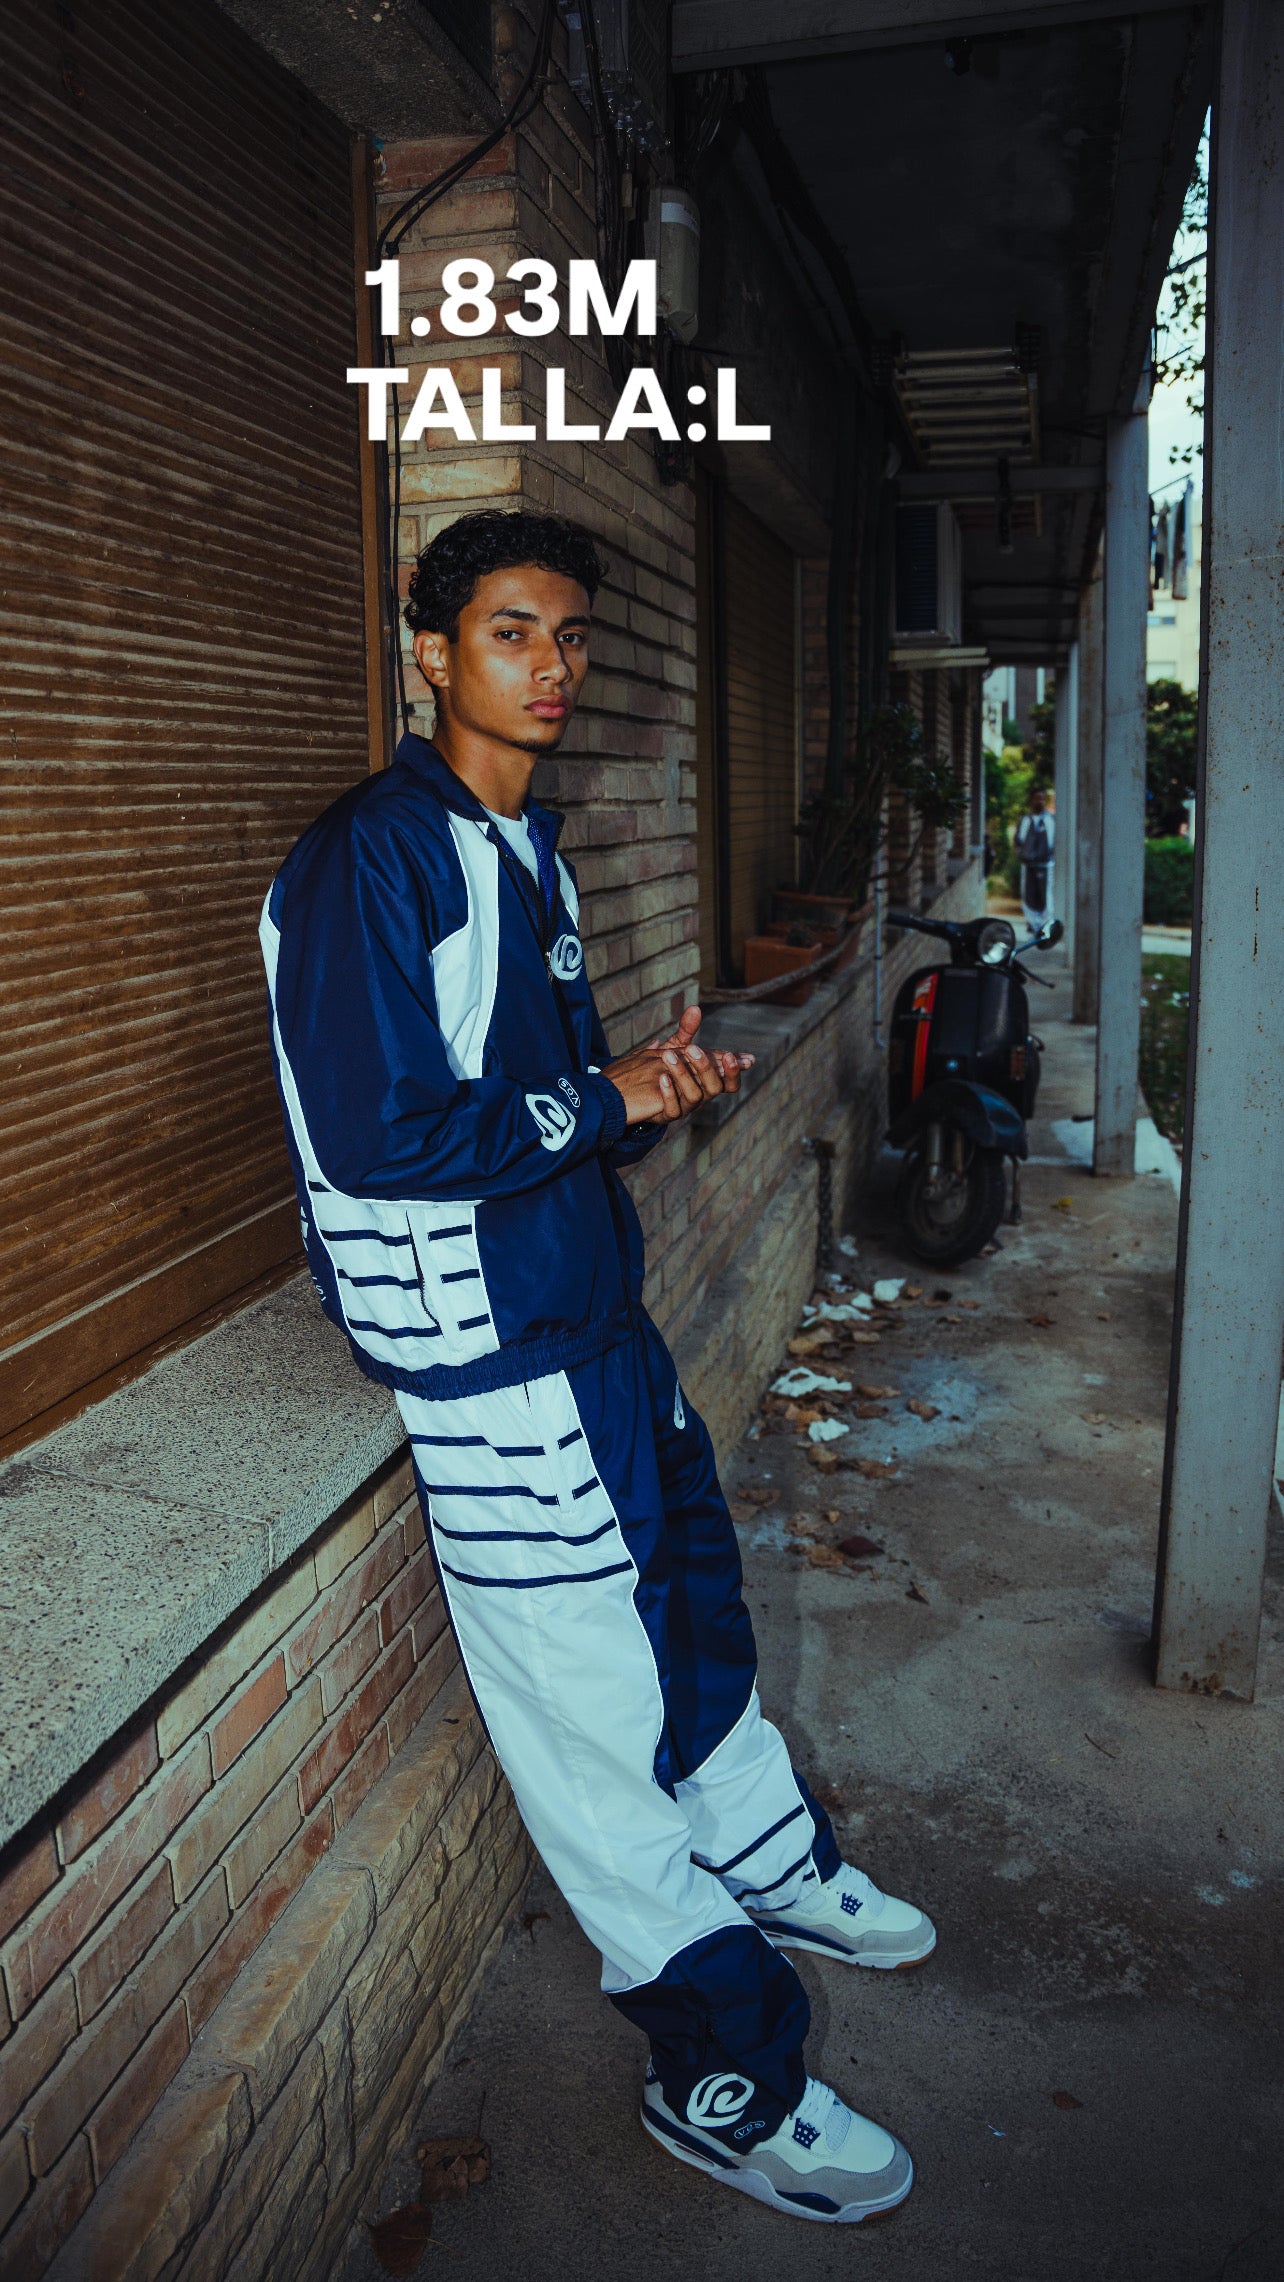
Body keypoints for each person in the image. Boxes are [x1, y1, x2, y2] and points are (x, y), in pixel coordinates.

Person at [261, 510, 934, 2226]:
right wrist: (597, 1097)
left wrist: (638, 1088)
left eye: (569, 636)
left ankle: (773, 1864)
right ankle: (722, 2068)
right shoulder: (372, 857)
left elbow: (532, 1110)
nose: (551, 665)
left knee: (694, 1622)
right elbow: (381, 1133)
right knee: (590, 1730)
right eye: (511, 631)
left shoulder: (518, 850)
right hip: (492, 1371)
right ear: (429, 653)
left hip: (592, 1332)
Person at [1014, 786, 1055, 933]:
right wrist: (1021, 854)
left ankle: (1044, 924)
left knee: (1046, 896)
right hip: (1028, 865)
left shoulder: (1050, 820)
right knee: (1028, 895)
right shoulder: (1025, 820)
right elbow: (1018, 840)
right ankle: (1032, 923)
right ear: (1031, 800)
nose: (1040, 802)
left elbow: (1054, 841)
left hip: (1046, 865)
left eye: (1043, 799)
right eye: (1037, 798)